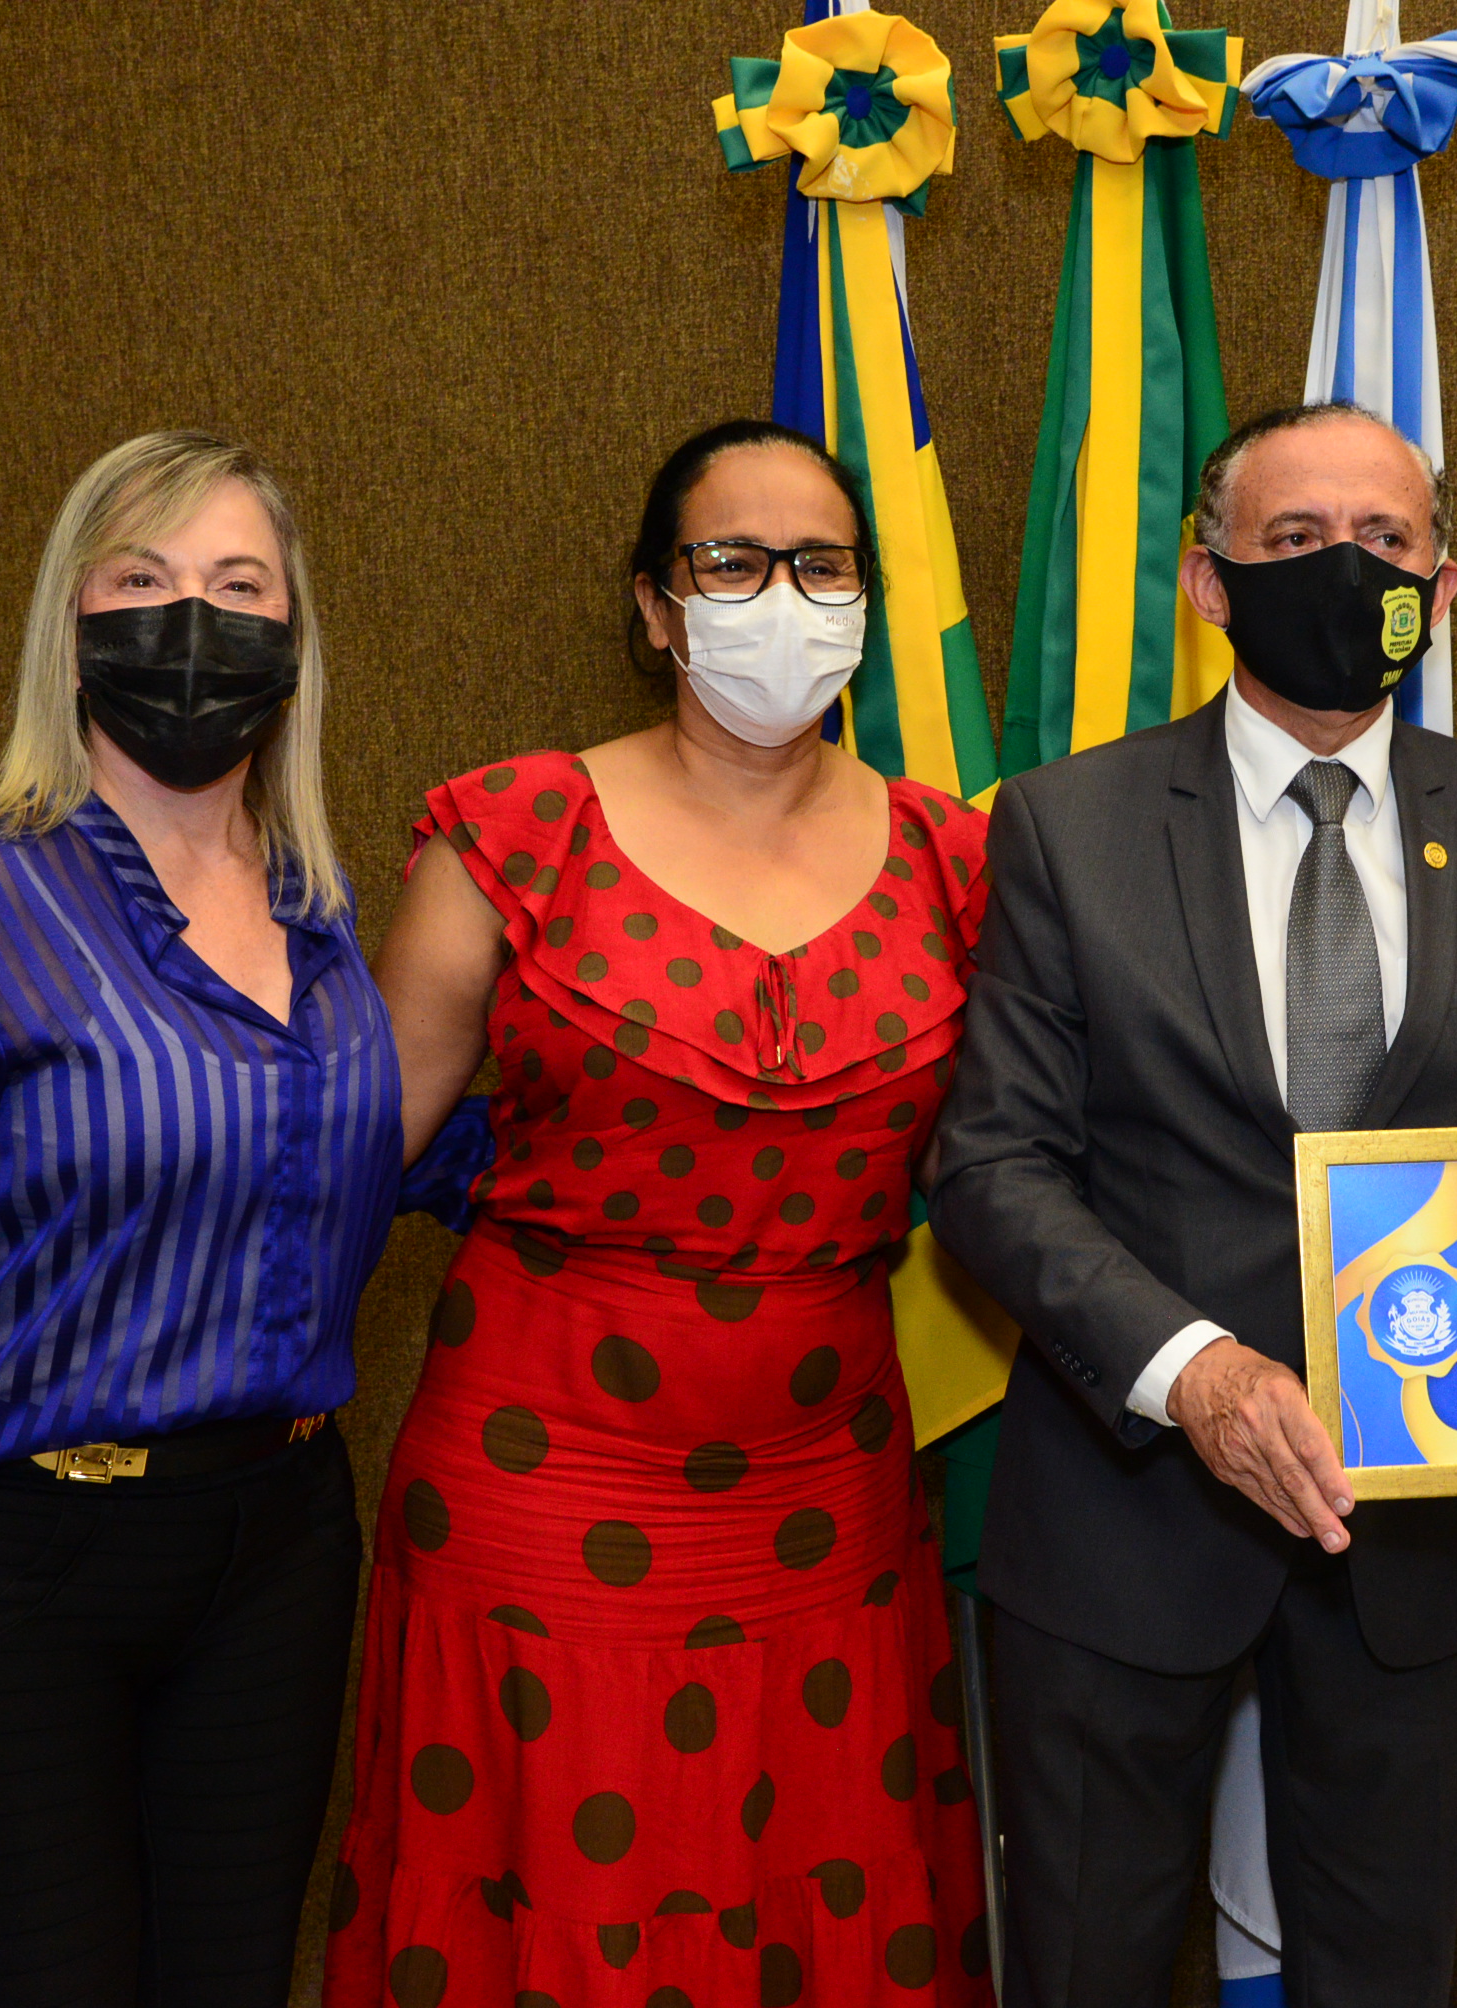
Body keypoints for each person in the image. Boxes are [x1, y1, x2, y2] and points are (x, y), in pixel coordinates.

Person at [927, 399, 1457, 2008]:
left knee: (1386, 1975)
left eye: (1386, 540)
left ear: (1441, 588)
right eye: (1296, 538)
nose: (1346, 569)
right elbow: (991, 1165)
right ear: (1208, 582)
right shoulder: (1067, 824)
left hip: (1415, 1534)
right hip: (1121, 1524)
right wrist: (1198, 1377)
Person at [330, 420, 992, 2008]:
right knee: (563, 1904)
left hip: (830, 1502)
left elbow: (1021, 1169)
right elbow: (344, 1159)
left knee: (828, 1901)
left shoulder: (956, 859)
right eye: (733, 563)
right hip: (540, 1479)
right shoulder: (517, 833)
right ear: (654, 605)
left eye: (821, 565)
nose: (783, 596)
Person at [0, 429, 445, 2006]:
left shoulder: (326, 923)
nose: (191, 622)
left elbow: (356, 1159)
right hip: (14, 1572)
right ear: (67, 624)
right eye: (141, 581)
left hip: (277, 1556)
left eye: (239, 586)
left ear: (294, 637)